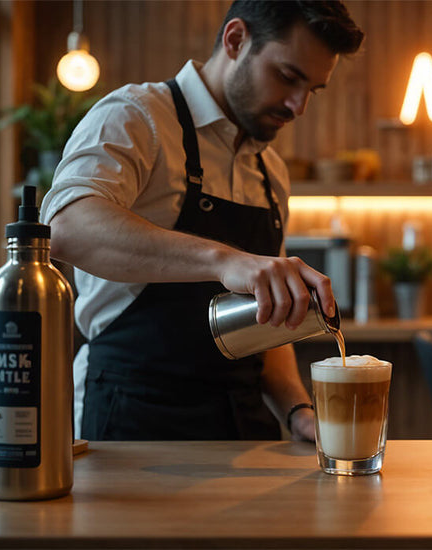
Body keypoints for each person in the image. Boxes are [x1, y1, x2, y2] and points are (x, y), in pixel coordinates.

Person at [39, 1, 364, 441]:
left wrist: (297, 410)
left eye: (313, 90)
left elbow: (270, 318)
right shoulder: (137, 117)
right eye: (288, 77)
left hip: (243, 426)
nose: (298, 106)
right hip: (133, 420)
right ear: (235, 40)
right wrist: (224, 261)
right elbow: (65, 227)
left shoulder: (271, 172)